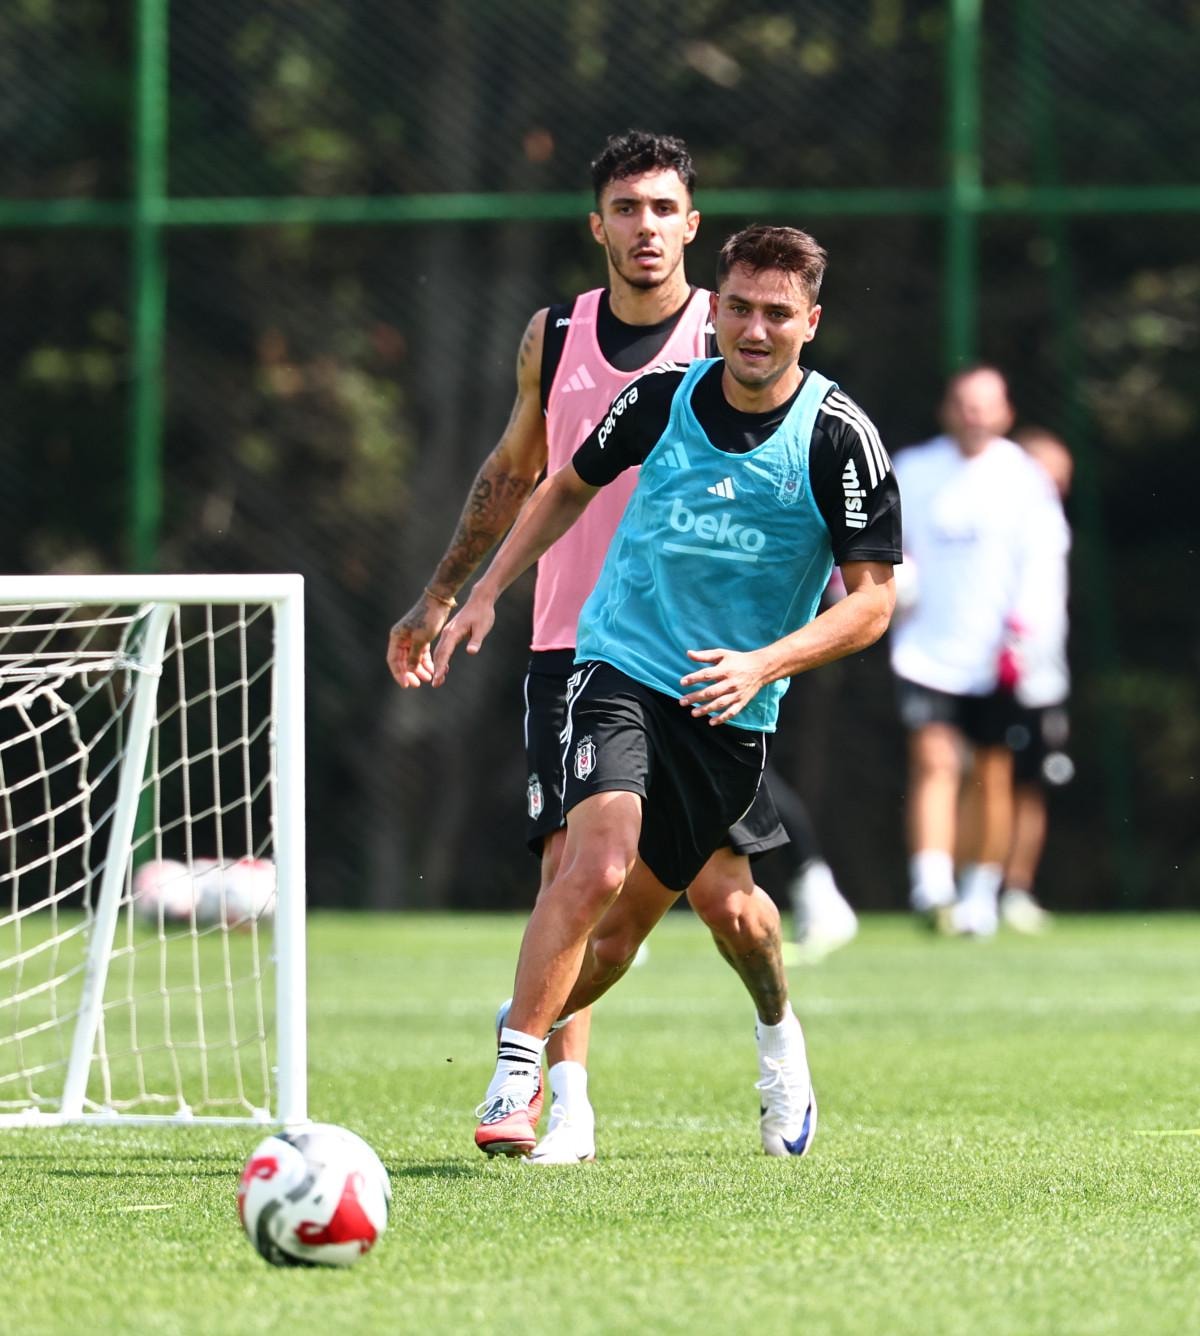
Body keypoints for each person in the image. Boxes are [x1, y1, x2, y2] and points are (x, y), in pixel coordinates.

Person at [431, 224, 901, 1159]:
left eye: (778, 314)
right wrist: (484, 590)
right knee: (595, 864)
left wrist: (762, 665)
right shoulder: (662, 398)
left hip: (729, 708)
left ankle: (778, 1036)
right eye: (740, 309)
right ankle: (518, 1071)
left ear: (810, 323)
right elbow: (565, 485)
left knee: (695, 926)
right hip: (620, 663)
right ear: (713, 309)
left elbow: (873, 603)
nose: (755, 330)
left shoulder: (838, 438)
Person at [388, 133, 803, 1163]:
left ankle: (779, 1037)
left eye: (664, 208)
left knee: (731, 906)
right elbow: (519, 470)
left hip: (698, 658)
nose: (645, 227)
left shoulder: (729, 331)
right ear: (597, 225)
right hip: (574, 645)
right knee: (575, 873)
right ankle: (558, 1099)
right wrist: (448, 595)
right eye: (626, 207)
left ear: (692, 226)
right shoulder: (557, 332)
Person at [889, 368, 1069, 936]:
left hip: (998, 656)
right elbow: (883, 544)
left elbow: (1043, 562)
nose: (974, 415)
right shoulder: (913, 469)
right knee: (935, 763)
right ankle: (932, 888)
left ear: (1005, 413)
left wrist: (1024, 634)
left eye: (985, 405)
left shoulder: (1025, 479)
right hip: (926, 651)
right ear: (947, 409)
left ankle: (979, 893)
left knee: (991, 775)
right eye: (964, 404)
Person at [997, 426, 1074, 932]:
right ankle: (974, 883)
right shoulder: (1002, 519)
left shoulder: (1052, 523)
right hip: (992, 669)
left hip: (1042, 677)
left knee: (1031, 784)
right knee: (986, 778)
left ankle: (1016, 887)